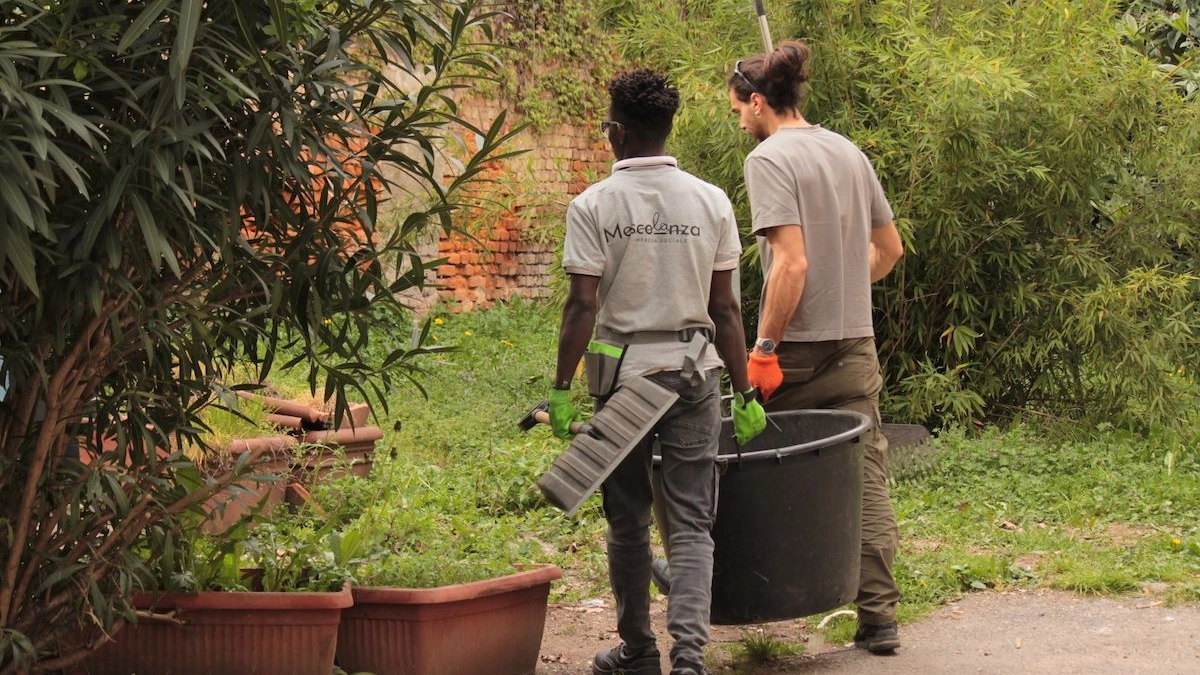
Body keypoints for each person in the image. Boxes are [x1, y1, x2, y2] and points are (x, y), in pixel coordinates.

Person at [548, 68, 766, 675]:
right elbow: (725, 308)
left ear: (616, 133)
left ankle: (639, 651)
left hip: (623, 384)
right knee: (693, 522)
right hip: (696, 373)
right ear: (669, 130)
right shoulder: (711, 200)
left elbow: (582, 305)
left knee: (627, 521)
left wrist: (561, 388)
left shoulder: (593, 204)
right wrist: (744, 390)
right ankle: (690, 658)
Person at [727, 40, 907, 654]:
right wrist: (846, 281)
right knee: (866, 474)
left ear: (757, 102)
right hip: (856, 342)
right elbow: (889, 252)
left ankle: (734, 590)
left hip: (794, 350)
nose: (740, 122)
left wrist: (764, 348)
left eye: (738, 111)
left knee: (739, 462)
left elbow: (791, 265)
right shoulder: (847, 151)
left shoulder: (770, 159)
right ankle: (878, 618)